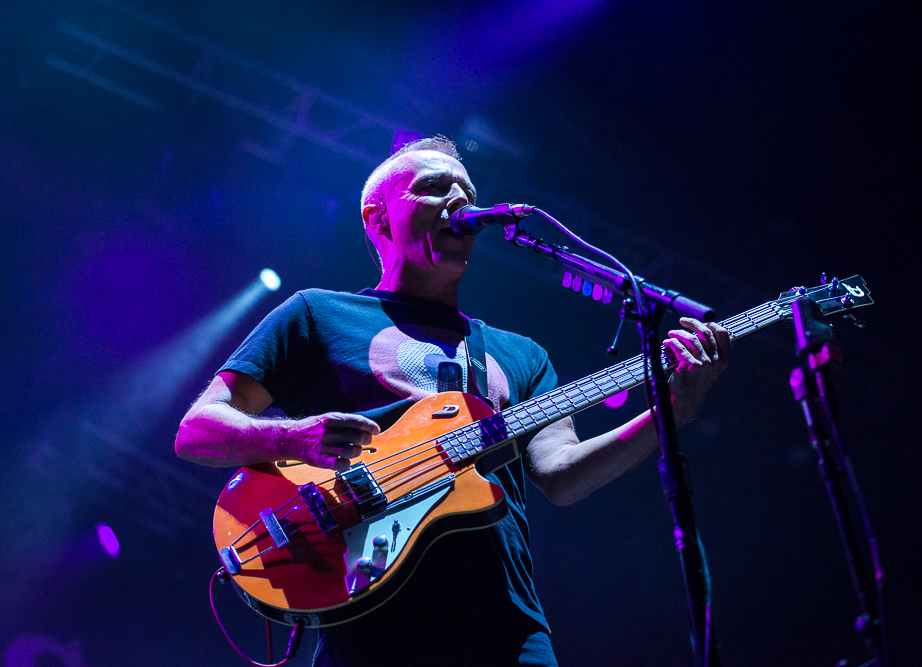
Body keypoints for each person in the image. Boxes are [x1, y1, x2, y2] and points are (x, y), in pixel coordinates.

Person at [175, 136, 730, 666]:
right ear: (378, 218)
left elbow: (562, 475)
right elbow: (198, 431)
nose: (460, 202)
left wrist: (671, 410)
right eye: (434, 188)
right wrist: (292, 437)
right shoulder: (317, 315)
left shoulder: (521, 354)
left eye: (467, 192)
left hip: (506, 627)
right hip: (369, 620)